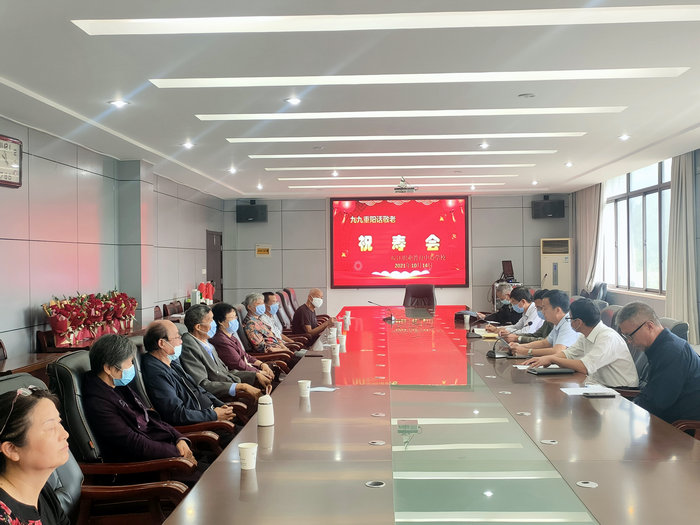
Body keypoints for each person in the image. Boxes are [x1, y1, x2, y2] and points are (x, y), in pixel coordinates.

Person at [82, 334, 196, 464]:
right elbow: (133, 442)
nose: (132, 367)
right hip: (144, 464)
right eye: (129, 362)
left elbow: (150, 417)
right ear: (108, 368)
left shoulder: (118, 386)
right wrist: (177, 453)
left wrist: (179, 438)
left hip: (163, 448)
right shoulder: (98, 402)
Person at [141, 320, 238, 428]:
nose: (181, 341)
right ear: (162, 343)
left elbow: (198, 389)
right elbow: (177, 414)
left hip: (211, 415)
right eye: (177, 337)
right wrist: (214, 415)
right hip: (203, 427)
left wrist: (221, 405)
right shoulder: (156, 374)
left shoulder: (171, 363)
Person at [524, 298, 639, 387]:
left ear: (578, 322)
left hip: (621, 392)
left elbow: (584, 367)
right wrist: (545, 358)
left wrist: (553, 359)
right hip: (599, 387)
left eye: (570, 319)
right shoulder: (585, 335)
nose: (569, 322)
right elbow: (569, 354)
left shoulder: (607, 337)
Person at [617, 302, 700, 423]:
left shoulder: (672, 352)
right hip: (664, 418)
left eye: (630, 336)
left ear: (649, 326)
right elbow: (652, 394)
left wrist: (626, 411)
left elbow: (656, 403)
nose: (629, 341)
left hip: (681, 427)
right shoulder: (659, 347)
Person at [0, 387, 70, 525]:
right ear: (12, 449)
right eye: (50, 428)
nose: (65, 434)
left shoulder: (42, 490)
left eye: (59, 422)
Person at [179, 305, 261, 404]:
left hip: (231, 386)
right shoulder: (189, 347)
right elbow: (202, 385)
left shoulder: (207, 343)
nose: (214, 323)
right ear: (198, 327)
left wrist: (255, 375)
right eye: (210, 320)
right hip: (219, 400)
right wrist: (240, 387)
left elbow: (225, 372)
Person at [209, 303, 275, 389]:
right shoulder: (220, 340)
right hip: (240, 377)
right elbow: (238, 364)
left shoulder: (230, 336)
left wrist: (262, 365)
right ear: (220, 321)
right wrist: (259, 372)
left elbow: (245, 355)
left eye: (235, 317)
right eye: (231, 318)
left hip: (249, 370)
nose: (235, 320)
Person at [509, 290, 580, 357]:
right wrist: (520, 346)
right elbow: (545, 343)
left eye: (544, 308)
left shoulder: (568, 324)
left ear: (557, 310)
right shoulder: (558, 323)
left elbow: (557, 351)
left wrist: (527, 351)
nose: (542, 311)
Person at [243, 294, 302, 358]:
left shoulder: (258, 319)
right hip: (274, 356)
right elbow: (262, 348)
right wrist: (284, 350)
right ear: (249, 307)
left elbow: (274, 336)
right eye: (258, 303)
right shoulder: (251, 324)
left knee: (304, 354)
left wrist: (284, 347)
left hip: (281, 350)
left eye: (262, 303)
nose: (262, 306)